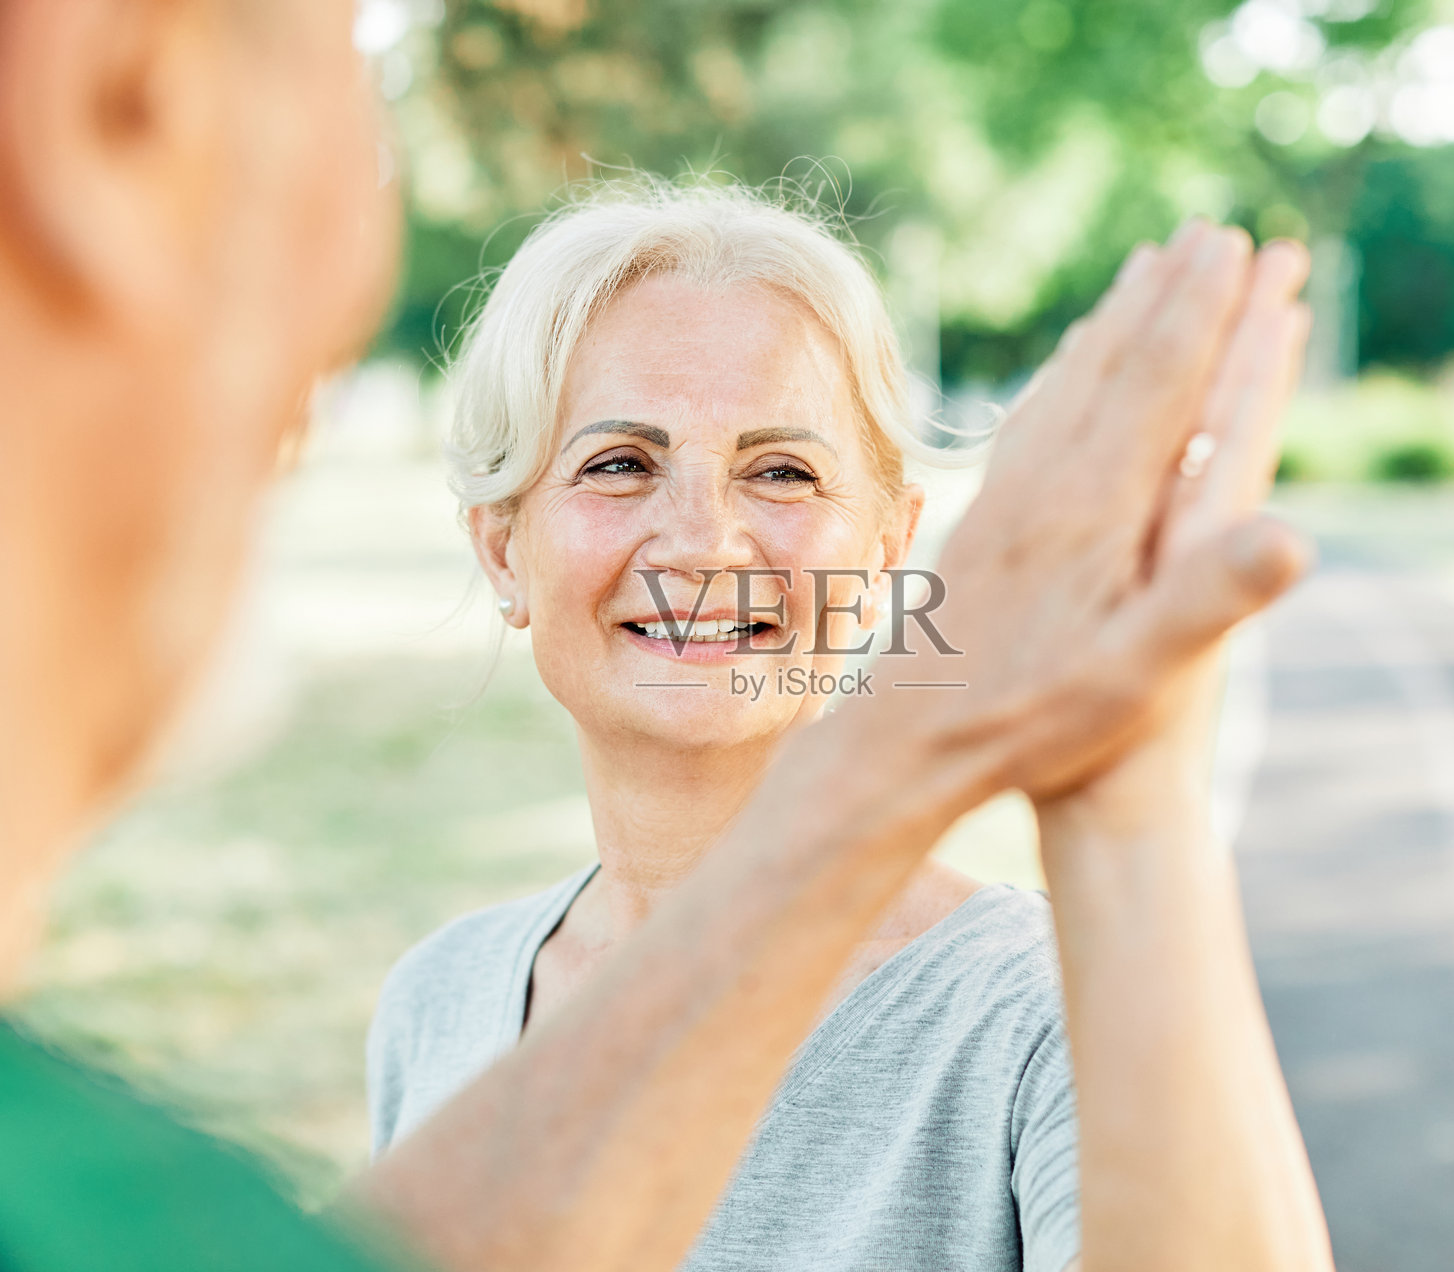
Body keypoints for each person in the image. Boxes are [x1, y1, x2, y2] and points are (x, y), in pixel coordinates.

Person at [0, 1, 1330, 1270]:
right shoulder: (442, 996)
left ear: (884, 548)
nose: (702, 540)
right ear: (500, 547)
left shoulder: (1042, 1006)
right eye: (621, 464)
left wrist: (1131, 799)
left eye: (784, 473)